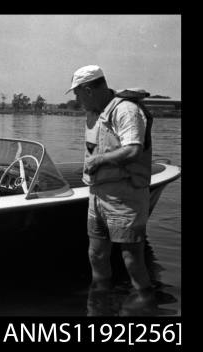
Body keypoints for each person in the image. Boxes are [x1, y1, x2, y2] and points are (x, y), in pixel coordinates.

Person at [66, 65, 155, 302]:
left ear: (89, 90)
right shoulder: (96, 112)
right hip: (98, 197)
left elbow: (133, 149)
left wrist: (100, 160)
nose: (77, 98)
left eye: (77, 93)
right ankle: (100, 295)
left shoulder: (125, 110)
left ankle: (145, 302)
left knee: (131, 258)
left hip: (124, 196)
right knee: (96, 254)